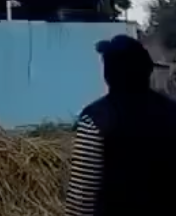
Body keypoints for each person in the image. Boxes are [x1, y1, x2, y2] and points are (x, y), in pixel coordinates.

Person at [65, 34, 176, 216]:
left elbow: (81, 197)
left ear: (108, 73)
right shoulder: (172, 112)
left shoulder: (96, 119)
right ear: (147, 69)